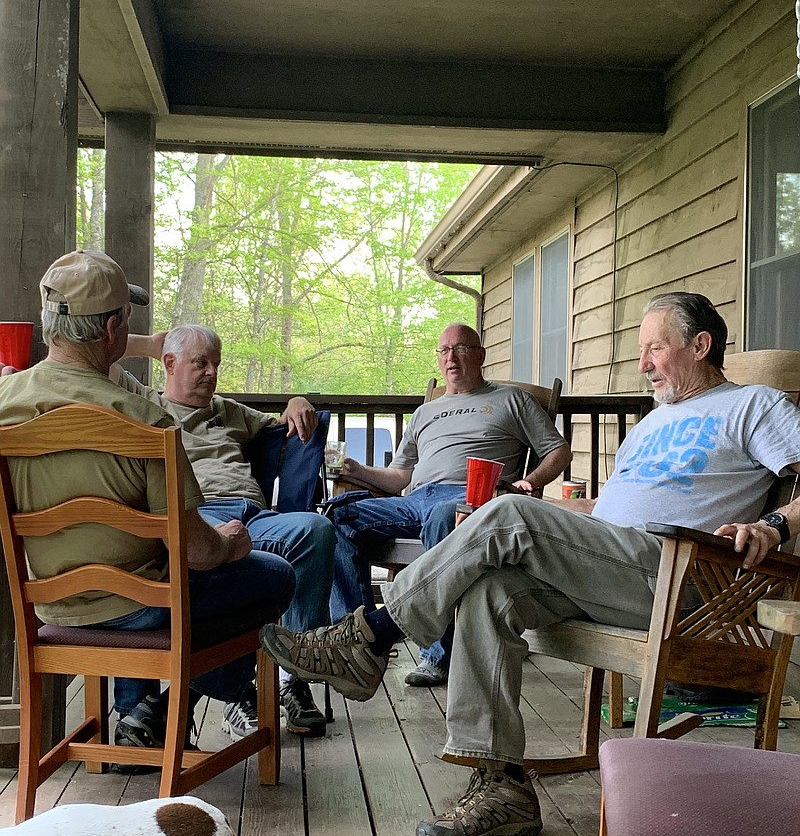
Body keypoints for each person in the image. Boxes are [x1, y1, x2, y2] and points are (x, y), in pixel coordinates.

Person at [258, 292, 800, 836]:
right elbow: (611, 512)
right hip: (614, 569)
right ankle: (501, 785)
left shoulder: (753, 405)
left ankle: (369, 635)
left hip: (683, 578)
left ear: (701, 346)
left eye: (655, 349)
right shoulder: (653, 422)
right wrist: (558, 517)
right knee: (491, 591)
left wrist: (775, 525)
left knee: (509, 513)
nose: (643, 365)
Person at [0, 249, 295, 766]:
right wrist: (229, 546)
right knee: (273, 575)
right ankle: (210, 695)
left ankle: (143, 711)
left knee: (161, 577)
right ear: (114, 328)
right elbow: (197, 552)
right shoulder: (145, 420)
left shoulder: (5, 402)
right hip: (140, 611)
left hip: (50, 607)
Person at [114, 324, 336, 739]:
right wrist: (149, 342)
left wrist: (297, 400)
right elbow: (95, 347)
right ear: (169, 363)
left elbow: (281, 423)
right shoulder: (143, 401)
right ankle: (234, 693)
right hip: (200, 518)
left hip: (255, 516)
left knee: (317, 529)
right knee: (223, 572)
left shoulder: (227, 410)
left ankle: (296, 677)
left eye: (216, 364)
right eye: (201, 363)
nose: (212, 373)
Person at [329, 322, 571, 686]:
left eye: (460, 348)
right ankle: (359, 641)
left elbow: (559, 450)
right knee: (338, 514)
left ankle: (439, 655)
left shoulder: (510, 400)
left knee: (446, 516)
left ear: (480, 355)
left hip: (469, 498)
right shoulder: (425, 413)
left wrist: (530, 481)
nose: (450, 357)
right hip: (413, 500)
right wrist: (356, 469)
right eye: (443, 351)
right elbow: (400, 478)